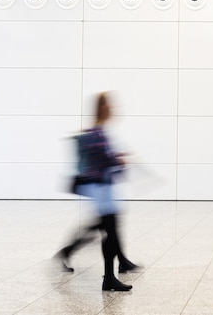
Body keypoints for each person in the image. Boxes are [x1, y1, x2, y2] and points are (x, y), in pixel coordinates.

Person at [56, 92, 140, 291]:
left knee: (108, 228)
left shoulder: (99, 131)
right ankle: (109, 277)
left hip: (104, 187)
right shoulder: (97, 132)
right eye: (109, 104)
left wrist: (116, 159)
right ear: (102, 107)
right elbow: (103, 160)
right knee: (108, 230)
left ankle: (114, 269)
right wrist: (119, 160)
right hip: (101, 187)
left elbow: (103, 157)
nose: (112, 108)